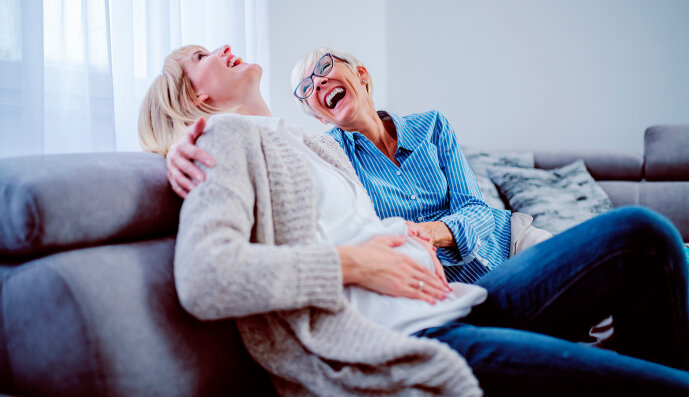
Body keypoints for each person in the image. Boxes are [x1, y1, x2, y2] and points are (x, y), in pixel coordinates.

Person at [138, 44, 689, 396]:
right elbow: (206, 276)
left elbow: (354, 221)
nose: (224, 48)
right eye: (201, 56)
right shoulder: (223, 140)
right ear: (195, 96)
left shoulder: (305, 144)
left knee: (643, 234)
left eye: (323, 71)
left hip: (457, 298)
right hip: (413, 338)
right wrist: (356, 264)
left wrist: (400, 236)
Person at [165, 47, 552, 285]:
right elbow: (266, 145)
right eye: (305, 89)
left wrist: (430, 232)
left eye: (324, 68)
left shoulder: (432, 124)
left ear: (361, 75)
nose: (317, 84)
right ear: (319, 118)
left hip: (510, 241)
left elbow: (477, 210)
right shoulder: (329, 153)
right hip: (458, 284)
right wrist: (183, 139)